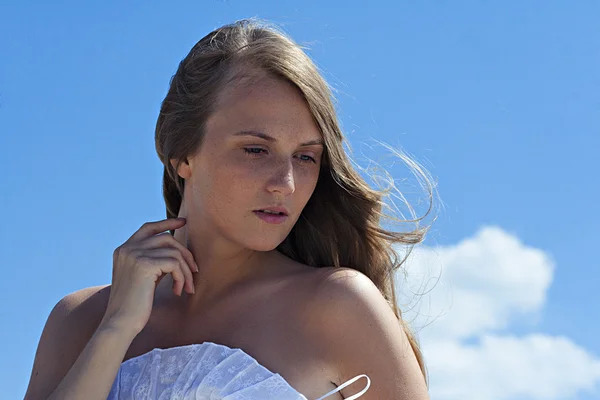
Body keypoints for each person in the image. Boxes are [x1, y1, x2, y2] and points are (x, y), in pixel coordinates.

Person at [24, 19, 433, 400]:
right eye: (256, 150)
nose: (285, 183)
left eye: (306, 157)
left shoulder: (338, 308)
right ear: (182, 155)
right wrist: (115, 329)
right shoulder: (79, 320)